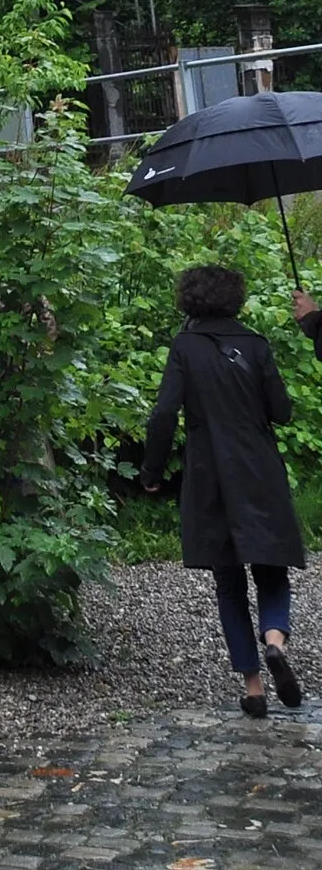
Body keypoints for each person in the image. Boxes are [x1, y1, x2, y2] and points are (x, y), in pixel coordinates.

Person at [144, 263, 307, 715]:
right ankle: (275, 640)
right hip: (259, 469)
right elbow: (282, 411)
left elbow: (162, 415)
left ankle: (253, 687)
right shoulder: (256, 345)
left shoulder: (184, 347)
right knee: (272, 568)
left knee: (228, 582)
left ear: (189, 300)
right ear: (236, 298)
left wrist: (151, 471)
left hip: (210, 470)